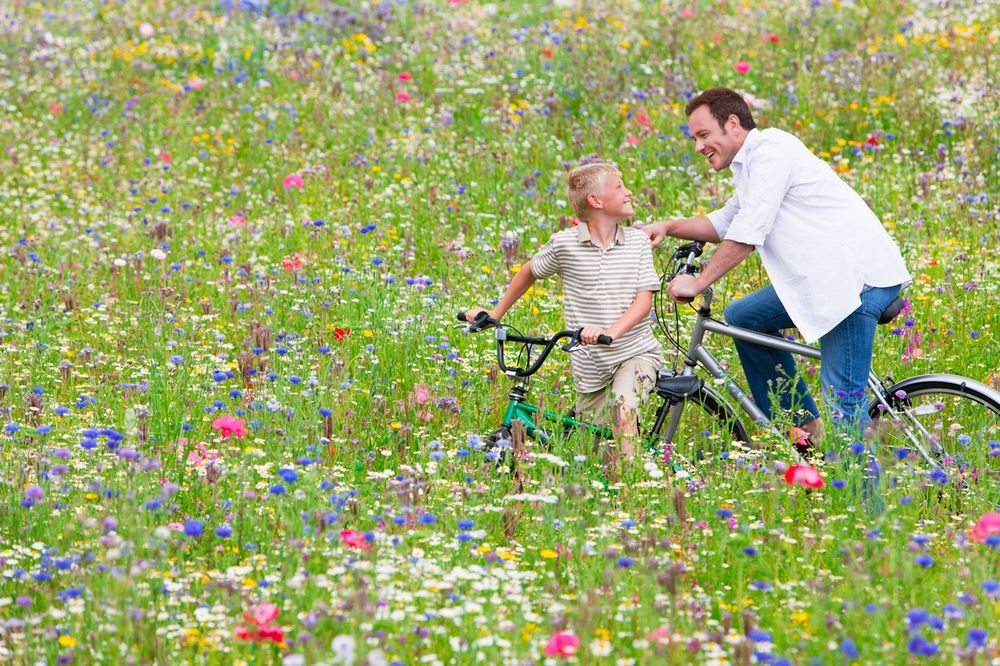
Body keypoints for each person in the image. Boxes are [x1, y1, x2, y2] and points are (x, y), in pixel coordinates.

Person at [642, 87, 910, 444]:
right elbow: (726, 221)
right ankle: (806, 434)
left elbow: (750, 228)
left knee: (843, 410)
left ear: (732, 124)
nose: (698, 147)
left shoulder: (772, 151)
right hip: (825, 280)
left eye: (703, 135)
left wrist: (699, 281)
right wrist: (669, 227)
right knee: (744, 318)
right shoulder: (751, 163)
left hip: (853, 285)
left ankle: (860, 498)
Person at [466, 162, 663, 463]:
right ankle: (622, 490)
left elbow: (643, 302)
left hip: (634, 353)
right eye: (619, 186)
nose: (628, 191)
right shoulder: (564, 245)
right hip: (591, 369)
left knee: (624, 414)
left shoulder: (636, 242)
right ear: (596, 202)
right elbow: (529, 271)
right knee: (602, 458)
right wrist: (496, 312)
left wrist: (610, 332)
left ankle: (634, 498)